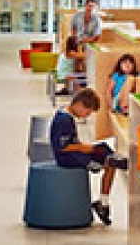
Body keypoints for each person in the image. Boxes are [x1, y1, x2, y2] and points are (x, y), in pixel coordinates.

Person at [50, 87, 130, 225]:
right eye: (88, 112)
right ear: (79, 105)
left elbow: (72, 141)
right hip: (67, 157)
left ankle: (103, 203)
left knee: (105, 151)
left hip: (73, 152)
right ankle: (104, 201)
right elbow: (62, 147)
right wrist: (86, 148)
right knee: (107, 161)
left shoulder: (67, 114)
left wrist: (88, 147)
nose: (87, 115)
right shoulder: (64, 120)